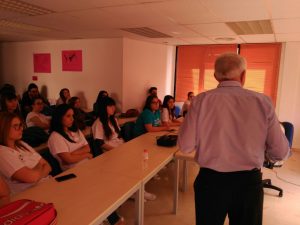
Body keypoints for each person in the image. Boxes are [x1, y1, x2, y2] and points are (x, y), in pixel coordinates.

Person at [178, 53, 290, 225]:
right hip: (247, 184)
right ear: (244, 75)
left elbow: (185, 146)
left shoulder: (200, 101)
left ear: (215, 76)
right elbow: (281, 152)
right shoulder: (262, 102)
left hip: (210, 183)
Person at [48, 104, 124, 225]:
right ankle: (113, 219)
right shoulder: (55, 137)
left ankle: (107, 213)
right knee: (97, 187)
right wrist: (84, 155)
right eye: (68, 116)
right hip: (73, 172)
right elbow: (68, 160)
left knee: (109, 179)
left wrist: (74, 154)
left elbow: (87, 147)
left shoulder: (75, 130)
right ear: (59, 118)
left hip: (87, 166)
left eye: (72, 115)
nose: (72, 119)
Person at [0, 112, 51, 195]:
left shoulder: (22, 144)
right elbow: (31, 178)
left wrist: (35, 174)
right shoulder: (3, 153)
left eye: (21, 125)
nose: (21, 129)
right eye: (16, 126)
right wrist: (39, 166)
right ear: (3, 128)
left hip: (47, 184)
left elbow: (48, 166)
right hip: (30, 194)